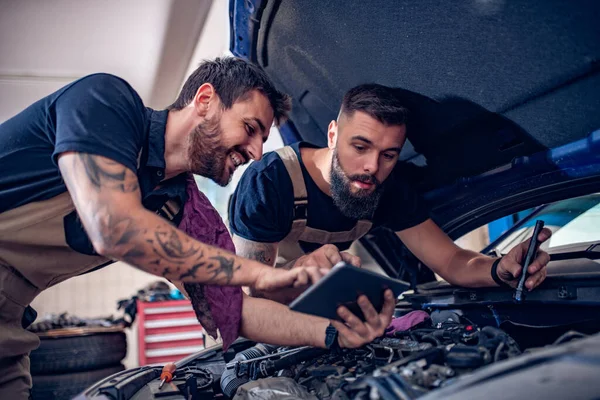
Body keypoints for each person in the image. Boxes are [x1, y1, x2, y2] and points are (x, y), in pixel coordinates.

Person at [0, 58, 394, 399]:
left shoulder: (187, 211)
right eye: (251, 127)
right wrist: (261, 273)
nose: (257, 152)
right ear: (205, 101)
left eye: (265, 138)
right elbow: (113, 224)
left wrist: (331, 332)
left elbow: (232, 312)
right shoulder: (105, 102)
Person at [229, 83, 552, 304]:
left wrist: (500, 269)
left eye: (389, 154)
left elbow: (451, 260)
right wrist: (301, 269)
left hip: (322, 315)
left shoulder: (389, 189)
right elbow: (250, 291)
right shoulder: (270, 182)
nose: (372, 167)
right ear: (332, 134)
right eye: (360, 146)